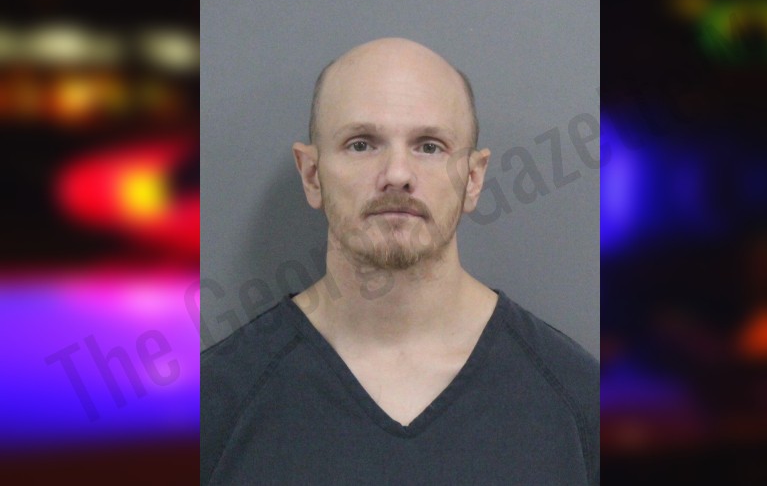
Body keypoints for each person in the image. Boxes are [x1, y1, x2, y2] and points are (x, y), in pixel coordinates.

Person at [201, 38, 598, 485]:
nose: (397, 174)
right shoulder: (212, 404)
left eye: (429, 146)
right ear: (311, 175)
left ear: (473, 179)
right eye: (361, 144)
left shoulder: (581, 402)